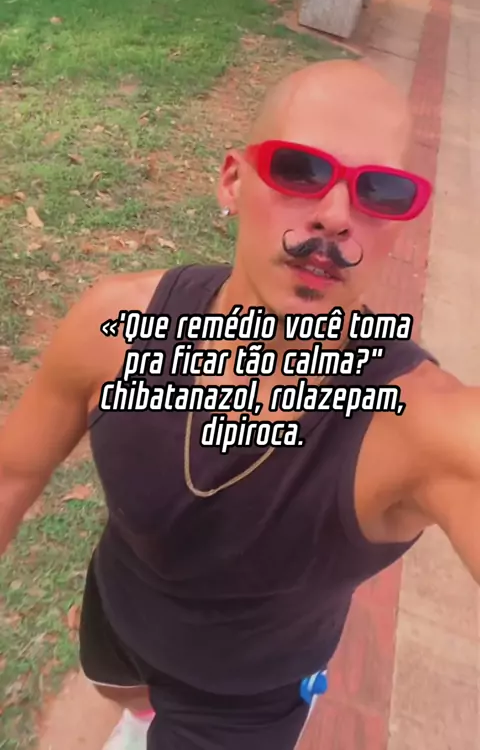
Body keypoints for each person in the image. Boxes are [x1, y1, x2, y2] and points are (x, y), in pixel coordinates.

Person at [1, 59, 479, 750]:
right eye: (299, 170)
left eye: (380, 192)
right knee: (125, 696)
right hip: (117, 623)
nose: (336, 215)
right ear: (233, 180)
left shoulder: (417, 427)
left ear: (400, 225)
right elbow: (13, 473)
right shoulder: (116, 327)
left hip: (244, 707)